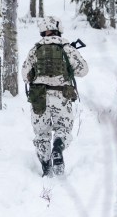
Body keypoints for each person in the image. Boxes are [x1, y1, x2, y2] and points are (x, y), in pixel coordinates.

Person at [23, 16, 88, 176]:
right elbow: (83, 70)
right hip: (61, 96)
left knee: (41, 134)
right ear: (58, 28)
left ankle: (46, 167)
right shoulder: (67, 48)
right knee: (63, 128)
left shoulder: (35, 49)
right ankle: (58, 147)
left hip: (39, 98)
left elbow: (25, 75)